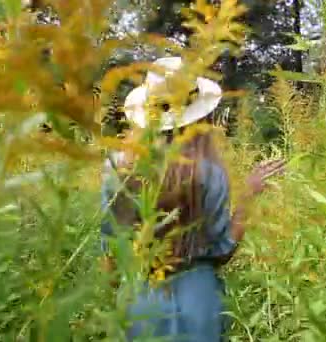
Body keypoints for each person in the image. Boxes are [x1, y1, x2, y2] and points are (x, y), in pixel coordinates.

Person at [99, 57, 284, 341]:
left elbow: (111, 255)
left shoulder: (117, 169)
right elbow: (222, 251)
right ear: (200, 117)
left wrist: (122, 294)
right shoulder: (209, 173)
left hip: (139, 296)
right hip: (198, 299)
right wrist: (247, 198)